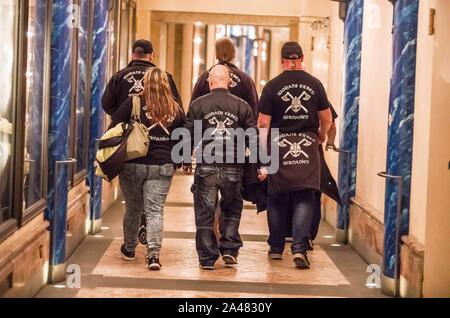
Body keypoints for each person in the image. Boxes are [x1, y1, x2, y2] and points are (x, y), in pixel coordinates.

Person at [257, 42, 332, 269]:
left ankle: (276, 248)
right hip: (307, 146)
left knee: (276, 197)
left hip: (279, 145)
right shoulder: (315, 84)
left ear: (282, 61)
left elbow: (263, 123)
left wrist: (262, 157)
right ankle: (299, 249)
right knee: (304, 197)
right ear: (300, 58)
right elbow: (327, 118)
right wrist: (321, 135)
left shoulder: (272, 86)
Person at [110, 68, 186, 271]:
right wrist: (181, 161)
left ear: (144, 83)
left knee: (133, 209)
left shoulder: (133, 103)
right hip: (162, 165)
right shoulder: (175, 109)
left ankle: (129, 248)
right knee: (155, 211)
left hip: (133, 164)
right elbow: (182, 138)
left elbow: (114, 127)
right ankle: (153, 255)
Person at [185, 65, 256, 270]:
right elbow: (252, 137)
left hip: (207, 164)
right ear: (228, 82)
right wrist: (260, 165)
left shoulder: (198, 104)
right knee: (232, 207)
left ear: (209, 81)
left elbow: (188, 133)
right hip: (233, 165)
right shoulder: (242, 106)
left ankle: (207, 257)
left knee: (205, 210)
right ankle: (229, 249)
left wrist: (184, 160)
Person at [285, 105, 341, 248]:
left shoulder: (279, 91)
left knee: (286, 190)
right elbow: (331, 125)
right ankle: (307, 235)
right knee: (312, 192)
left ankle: (285, 233)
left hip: (284, 151)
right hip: (311, 151)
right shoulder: (316, 94)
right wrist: (328, 141)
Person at [102, 39, 182, 116]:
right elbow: (176, 105)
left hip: (126, 128)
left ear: (132, 55)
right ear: (151, 55)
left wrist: (123, 117)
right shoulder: (164, 77)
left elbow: (107, 104)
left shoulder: (118, 76)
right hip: (156, 127)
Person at [191, 37, 258, 113]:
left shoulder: (204, 77)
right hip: (238, 124)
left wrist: (198, 125)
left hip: (207, 124)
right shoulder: (245, 79)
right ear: (234, 54)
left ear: (216, 54)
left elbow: (195, 110)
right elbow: (254, 110)